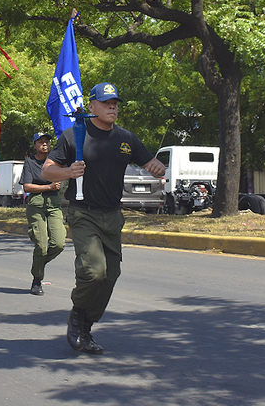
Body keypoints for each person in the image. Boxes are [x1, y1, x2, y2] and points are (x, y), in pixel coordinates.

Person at [43, 83, 166, 355]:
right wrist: (68, 172)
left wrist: (156, 167)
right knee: (93, 271)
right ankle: (78, 313)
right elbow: (47, 171)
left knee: (110, 275)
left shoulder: (126, 139)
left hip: (112, 215)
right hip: (83, 212)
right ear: (92, 106)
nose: (113, 107)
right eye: (106, 103)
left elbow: (148, 162)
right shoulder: (74, 135)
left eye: (115, 103)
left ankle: (85, 326)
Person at [20, 131, 65, 297]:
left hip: (54, 204)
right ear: (35, 145)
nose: (44, 144)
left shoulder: (55, 161)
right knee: (41, 244)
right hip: (36, 204)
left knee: (59, 243)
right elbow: (27, 187)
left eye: (47, 141)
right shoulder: (30, 162)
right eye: (40, 141)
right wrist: (48, 187)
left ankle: (39, 263)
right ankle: (37, 279)